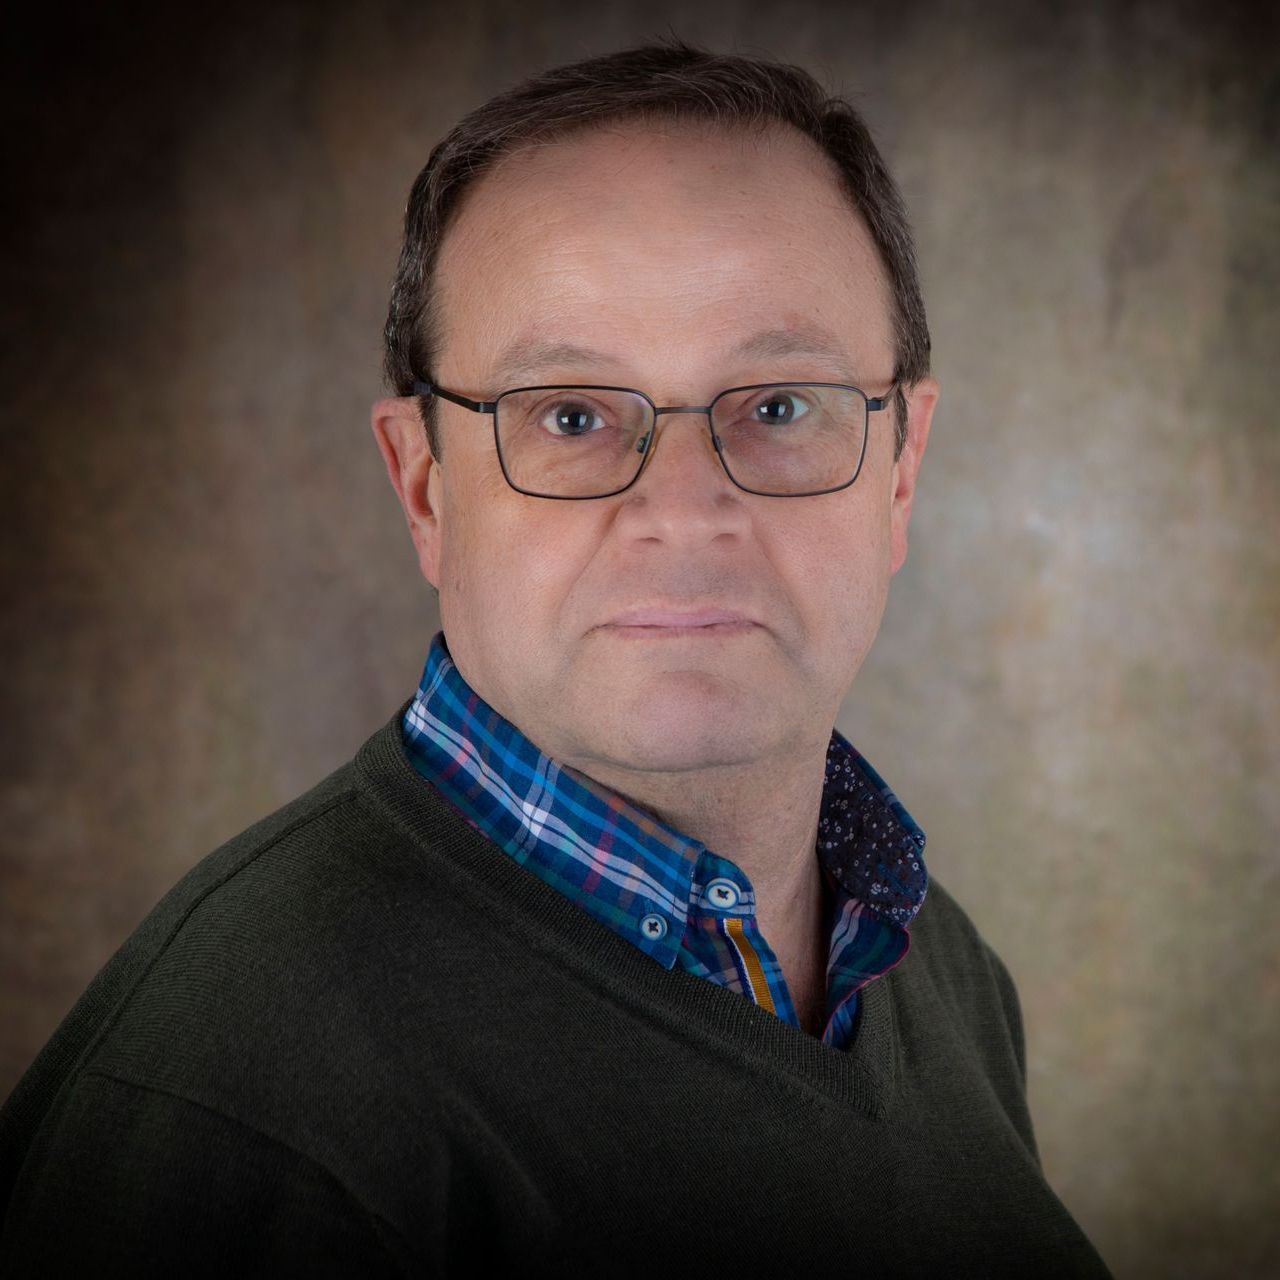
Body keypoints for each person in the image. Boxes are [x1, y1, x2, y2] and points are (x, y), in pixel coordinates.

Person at [0, 40, 1113, 1276]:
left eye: (778, 405)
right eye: (570, 415)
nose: (680, 513)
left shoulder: (936, 967)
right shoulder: (245, 1105)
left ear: (899, 471)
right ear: (424, 488)